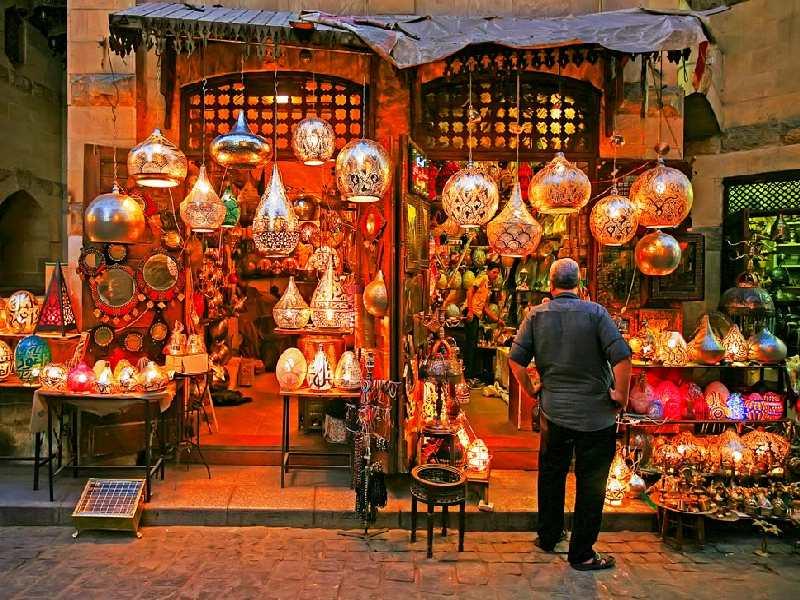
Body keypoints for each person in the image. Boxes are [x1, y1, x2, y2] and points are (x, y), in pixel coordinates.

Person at [508, 258, 632, 571]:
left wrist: (531, 390)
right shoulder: (596, 313)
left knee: (552, 475)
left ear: (550, 284)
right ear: (579, 283)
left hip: (555, 413)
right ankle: (582, 554)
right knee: (591, 483)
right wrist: (621, 394)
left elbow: (516, 360)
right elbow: (622, 357)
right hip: (596, 416)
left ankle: (549, 536)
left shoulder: (536, 315)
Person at [463, 262, 504, 386]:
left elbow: (485, 308)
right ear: (488, 271)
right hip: (471, 313)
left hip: (476, 315)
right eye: (494, 272)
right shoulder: (483, 278)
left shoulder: (488, 286)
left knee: (473, 345)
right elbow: (469, 291)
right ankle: (468, 377)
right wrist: (470, 310)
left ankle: (470, 376)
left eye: (497, 273)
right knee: (470, 346)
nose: (496, 275)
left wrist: (497, 320)